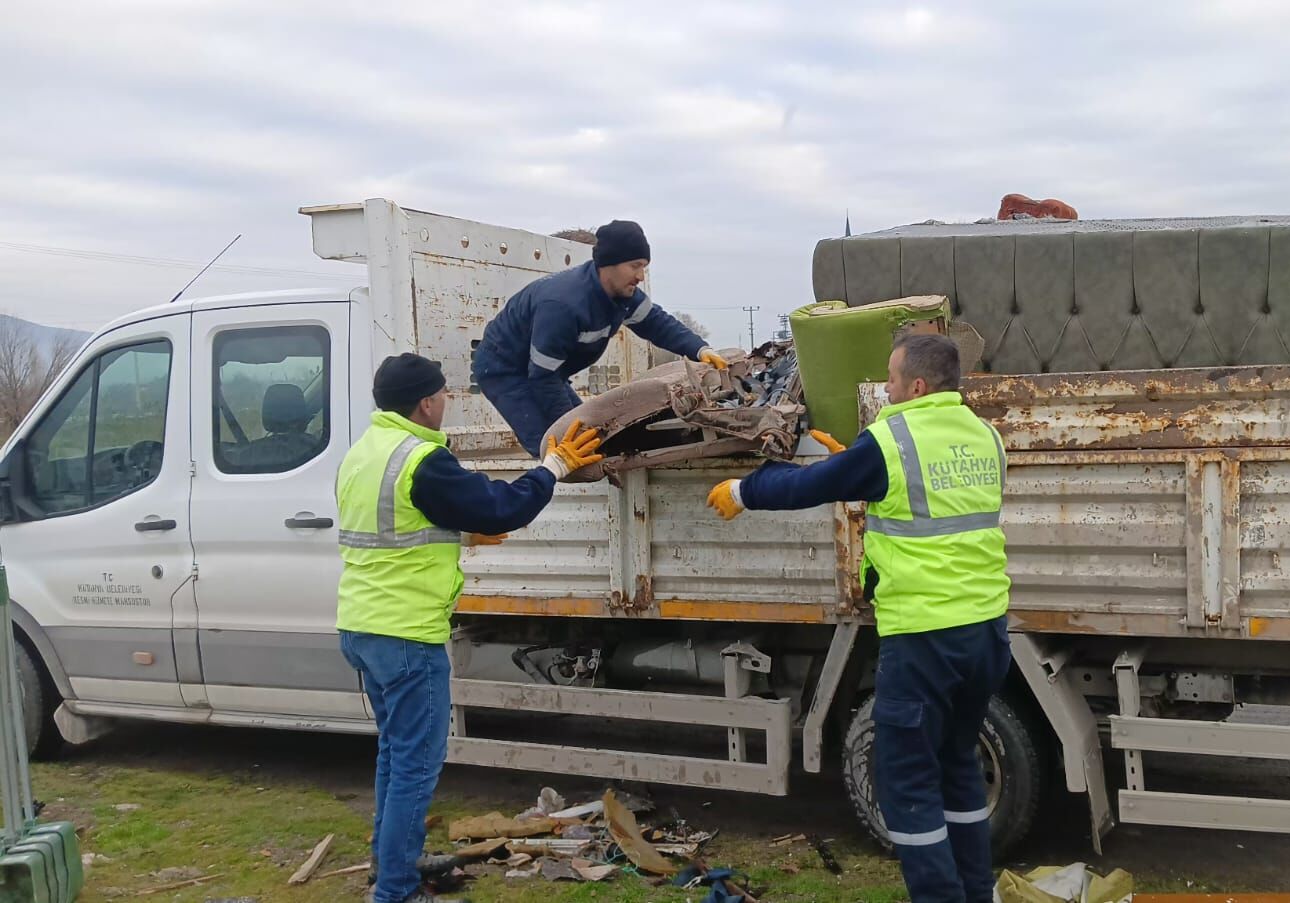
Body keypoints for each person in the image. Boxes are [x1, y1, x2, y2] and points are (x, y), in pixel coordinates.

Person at [705, 334, 1010, 903]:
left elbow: (808, 485)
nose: (887, 388)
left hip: (924, 640)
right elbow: (933, 499)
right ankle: (977, 892)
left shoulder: (893, 439)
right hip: (986, 634)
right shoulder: (985, 436)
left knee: (908, 784)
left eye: (892, 379)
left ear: (916, 386)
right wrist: (859, 463)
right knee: (958, 768)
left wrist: (744, 490)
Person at [336, 352, 603, 903]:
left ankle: (394, 865)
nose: (447, 403)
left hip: (362, 627)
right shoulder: (421, 460)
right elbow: (501, 507)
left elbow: (395, 531)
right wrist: (554, 465)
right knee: (414, 765)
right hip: (408, 635)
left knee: (394, 753)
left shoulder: (363, 453)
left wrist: (459, 536)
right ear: (427, 402)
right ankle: (395, 891)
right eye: (443, 395)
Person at [472, 219, 728, 454]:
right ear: (608, 265)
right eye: (635, 266)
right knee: (557, 444)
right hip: (505, 369)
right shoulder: (563, 305)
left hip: (548, 371)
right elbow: (542, 377)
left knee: (591, 433)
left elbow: (657, 324)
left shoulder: (622, 296)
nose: (640, 276)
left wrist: (700, 349)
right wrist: (571, 436)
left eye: (644, 267)